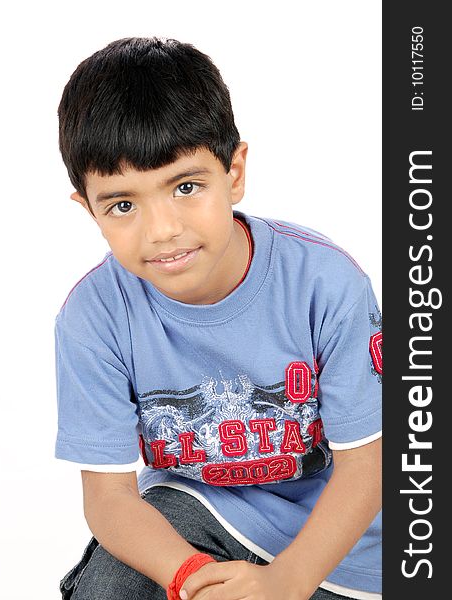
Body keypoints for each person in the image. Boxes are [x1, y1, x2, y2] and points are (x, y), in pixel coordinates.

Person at [55, 37, 382, 600]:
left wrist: (287, 580)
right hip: (199, 514)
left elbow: (369, 465)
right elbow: (109, 498)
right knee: (107, 588)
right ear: (88, 209)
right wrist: (192, 581)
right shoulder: (94, 315)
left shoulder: (326, 284)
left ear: (233, 173)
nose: (161, 230)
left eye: (186, 187)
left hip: (335, 540)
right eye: (123, 205)